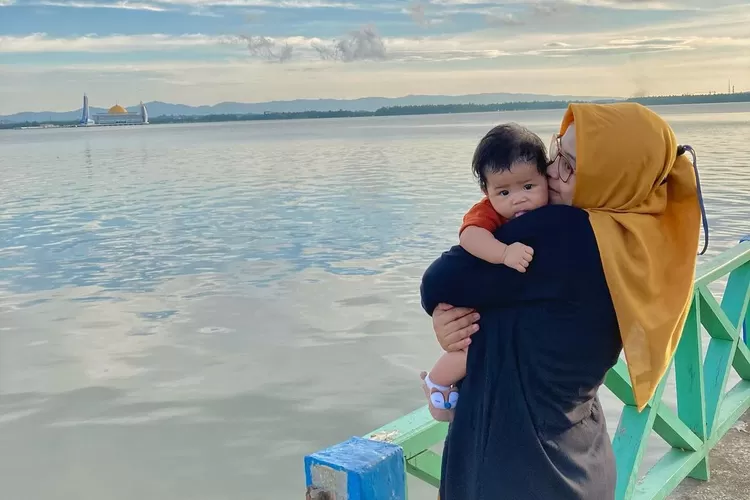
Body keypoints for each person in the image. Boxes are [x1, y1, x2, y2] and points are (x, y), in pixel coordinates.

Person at [420, 102, 702, 499]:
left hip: (517, 467)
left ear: (610, 175)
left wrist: (445, 313)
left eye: (568, 164)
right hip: (579, 452)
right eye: (557, 152)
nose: (550, 170)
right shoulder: (638, 236)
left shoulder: (563, 232)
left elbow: (438, 282)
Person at [421, 123, 547, 421]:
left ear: (545, 176)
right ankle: (437, 384)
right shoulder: (487, 212)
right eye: (503, 192)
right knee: (469, 347)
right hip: (476, 304)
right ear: (486, 191)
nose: (518, 198)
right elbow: (470, 237)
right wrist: (503, 253)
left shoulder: (551, 211)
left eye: (528, 187)